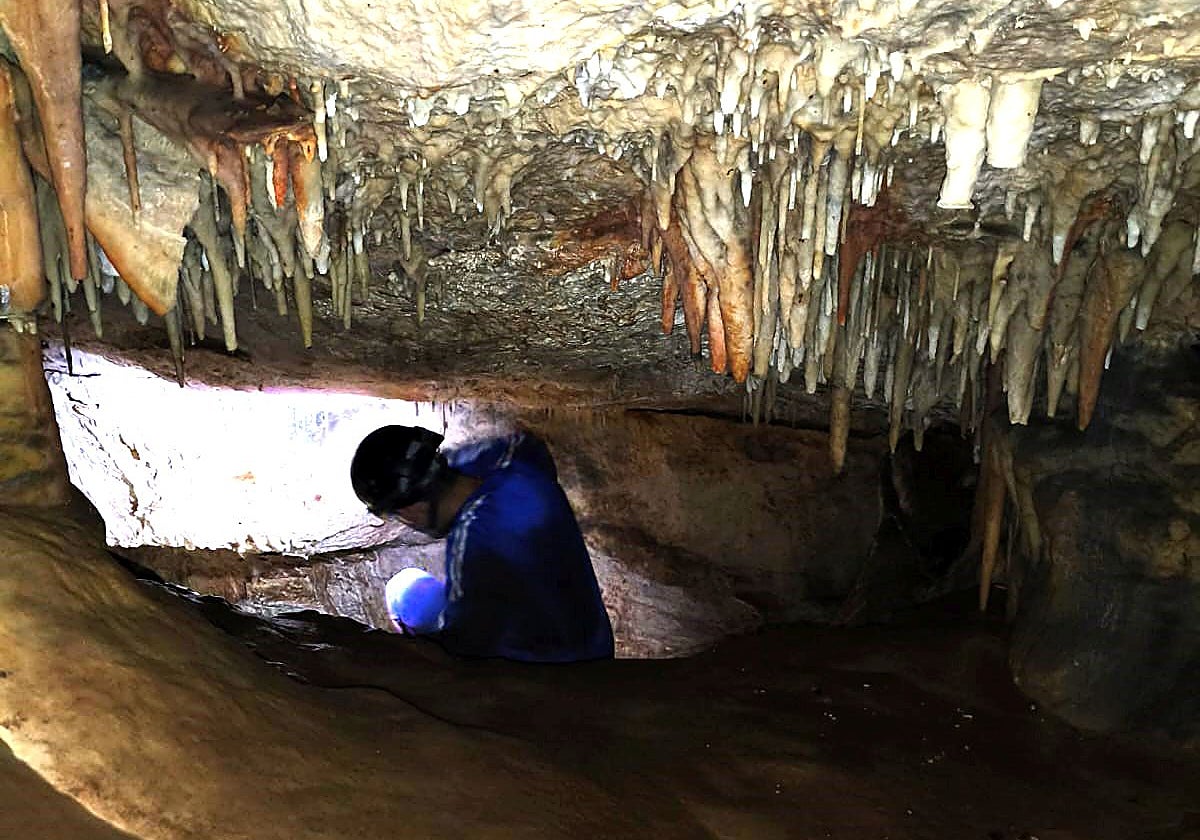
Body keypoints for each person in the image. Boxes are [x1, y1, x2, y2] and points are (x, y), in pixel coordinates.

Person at [350, 425, 615, 663]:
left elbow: (459, 643)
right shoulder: (516, 461)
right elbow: (521, 444)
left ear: (409, 510)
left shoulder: (476, 543)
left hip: (557, 673)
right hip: (593, 637)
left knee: (409, 598)